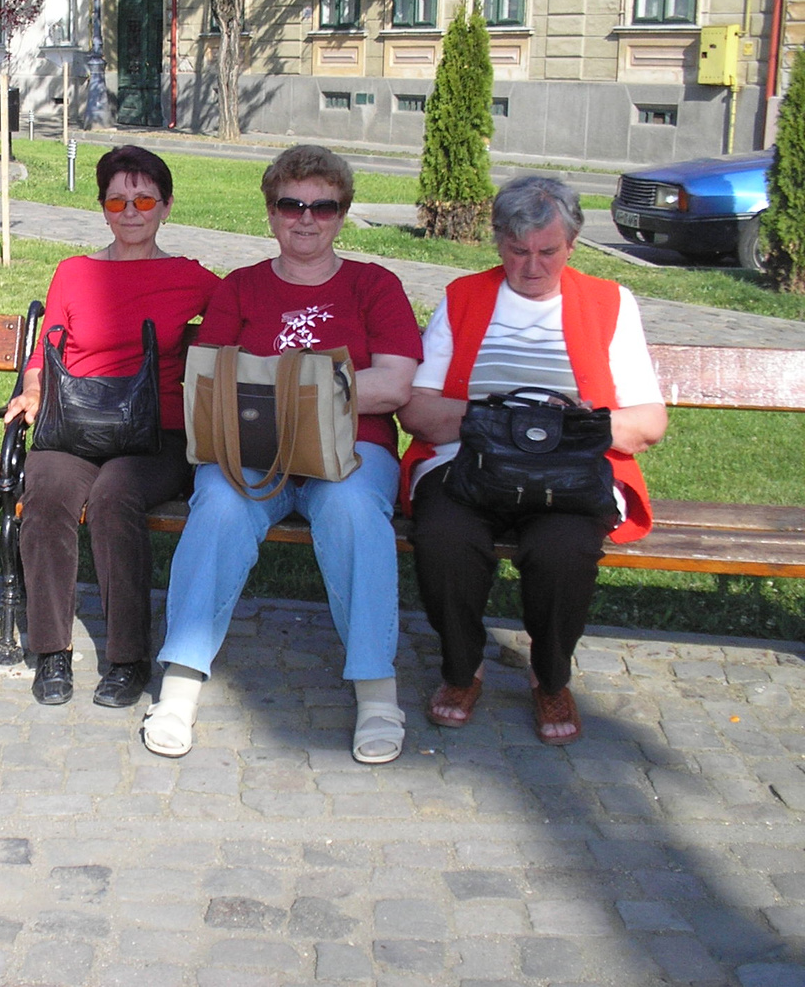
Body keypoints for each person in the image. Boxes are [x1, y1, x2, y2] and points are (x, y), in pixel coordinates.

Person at [145, 145, 422, 764]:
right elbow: (211, 380)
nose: (306, 218)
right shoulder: (242, 288)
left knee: (353, 512)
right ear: (270, 213)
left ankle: (377, 691)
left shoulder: (374, 286)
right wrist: (330, 383)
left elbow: (396, 384)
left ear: (342, 214)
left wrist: (279, 385)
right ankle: (181, 685)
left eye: (323, 207)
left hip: (352, 452)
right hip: (252, 450)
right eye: (291, 204)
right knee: (216, 503)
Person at [397, 176, 667, 746]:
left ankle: (550, 676)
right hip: (468, 464)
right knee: (445, 535)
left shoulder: (610, 303)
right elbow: (419, 412)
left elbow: (647, 424)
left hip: (570, 474)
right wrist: (502, 426)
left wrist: (561, 432)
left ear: (572, 244)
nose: (532, 266)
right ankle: (461, 669)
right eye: (517, 251)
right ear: (498, 242)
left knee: (562, 548)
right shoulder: (464, 297)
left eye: (548, 251)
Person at [5, 146, 219, 708]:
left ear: (166, 206)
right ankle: (51, 652)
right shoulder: (74, 272)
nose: (131, 210)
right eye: (117, 199)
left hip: (156, 433)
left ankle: (128, 658)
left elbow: (245, 316)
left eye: (144, 198)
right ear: (102, 208)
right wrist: (31, 388)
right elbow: (47, 347)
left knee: (113, 497)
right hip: (76, 423)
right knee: (47, 492)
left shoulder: (188, 277)